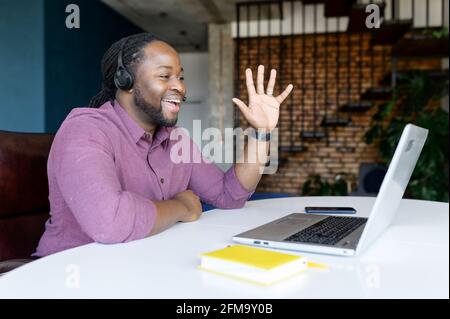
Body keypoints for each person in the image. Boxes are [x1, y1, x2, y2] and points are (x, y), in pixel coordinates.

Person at [34, 33, 293, 257]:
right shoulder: (86, 128)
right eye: (164, 76)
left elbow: (229, 196)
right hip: (72, 275)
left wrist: (261, 131)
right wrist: (182, 206)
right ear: (125, 81)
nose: (179, 86)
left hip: (141, 267)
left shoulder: (175, 138)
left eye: (180, 77)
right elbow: (110, 223)